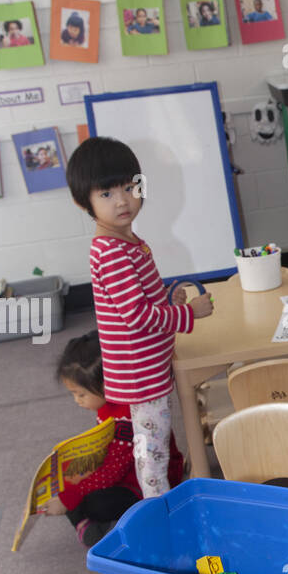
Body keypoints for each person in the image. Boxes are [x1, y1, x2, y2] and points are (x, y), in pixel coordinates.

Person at [66, 136, 213, 498]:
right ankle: (156, 512)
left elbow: (132, 302)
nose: (122, 200)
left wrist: (165, 299)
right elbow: (135, 315)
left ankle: (161, 498)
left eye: (129, 187)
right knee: (152, 454)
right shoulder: (113, 251)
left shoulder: (125, 241)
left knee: (157, 444)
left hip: (145, 366)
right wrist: (186, 314)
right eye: (106, 194)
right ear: (82, 201)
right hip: (139, 377)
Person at [39, 331, 184, 547]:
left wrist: (70, 496)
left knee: (83, 499)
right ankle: (85, 521)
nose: (77, 401)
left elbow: (112, 473)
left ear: (106, 384)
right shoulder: (110, 405)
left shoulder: (128, 417)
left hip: (140, 485)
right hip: (122, 472)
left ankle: (87, 522)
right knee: (68, 479)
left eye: (81, 394)